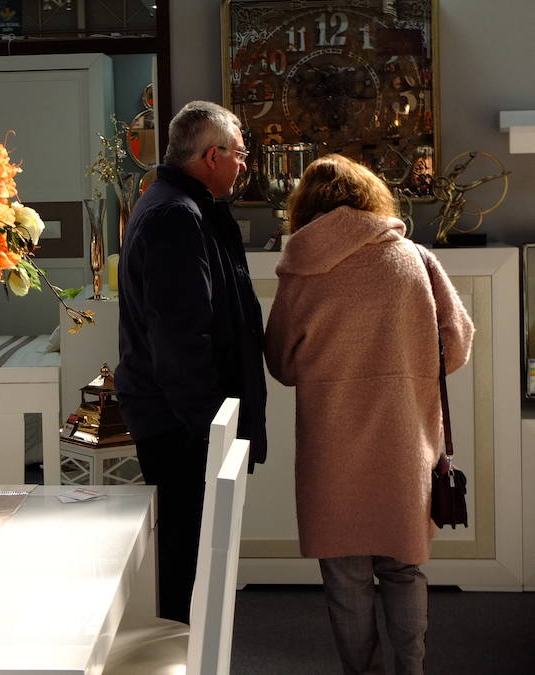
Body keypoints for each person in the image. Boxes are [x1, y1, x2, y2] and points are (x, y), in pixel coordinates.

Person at [264, 154, 474, 674]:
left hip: (331, 445)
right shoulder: (413, 258)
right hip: (405, 441)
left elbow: (282, 364)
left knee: (346, 577)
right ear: (368, 196)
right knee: (404, 571)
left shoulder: (301, 268)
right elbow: (458, 344)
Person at [115, 100, 267, 623]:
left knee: (194, 554)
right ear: (211, 155)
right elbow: (181, 338)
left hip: (185, 418)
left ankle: (190, 646)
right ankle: (185, 651)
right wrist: (211, 430)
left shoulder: (181, 204)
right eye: (240, 153)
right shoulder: (175, 215)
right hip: (182, 425)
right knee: (187, 560)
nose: (244, 164)